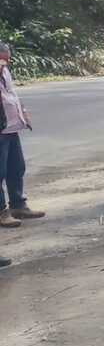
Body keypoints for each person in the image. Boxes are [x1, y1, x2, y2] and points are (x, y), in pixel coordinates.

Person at [0, 43, 43, 229]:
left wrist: (22, 113)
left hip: (12, 128)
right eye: (2, 59)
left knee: (16, 168)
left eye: (7, 58)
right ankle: (2, 212)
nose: (6, 62)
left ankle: (18, 205)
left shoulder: (5, 72)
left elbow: (12, 94)